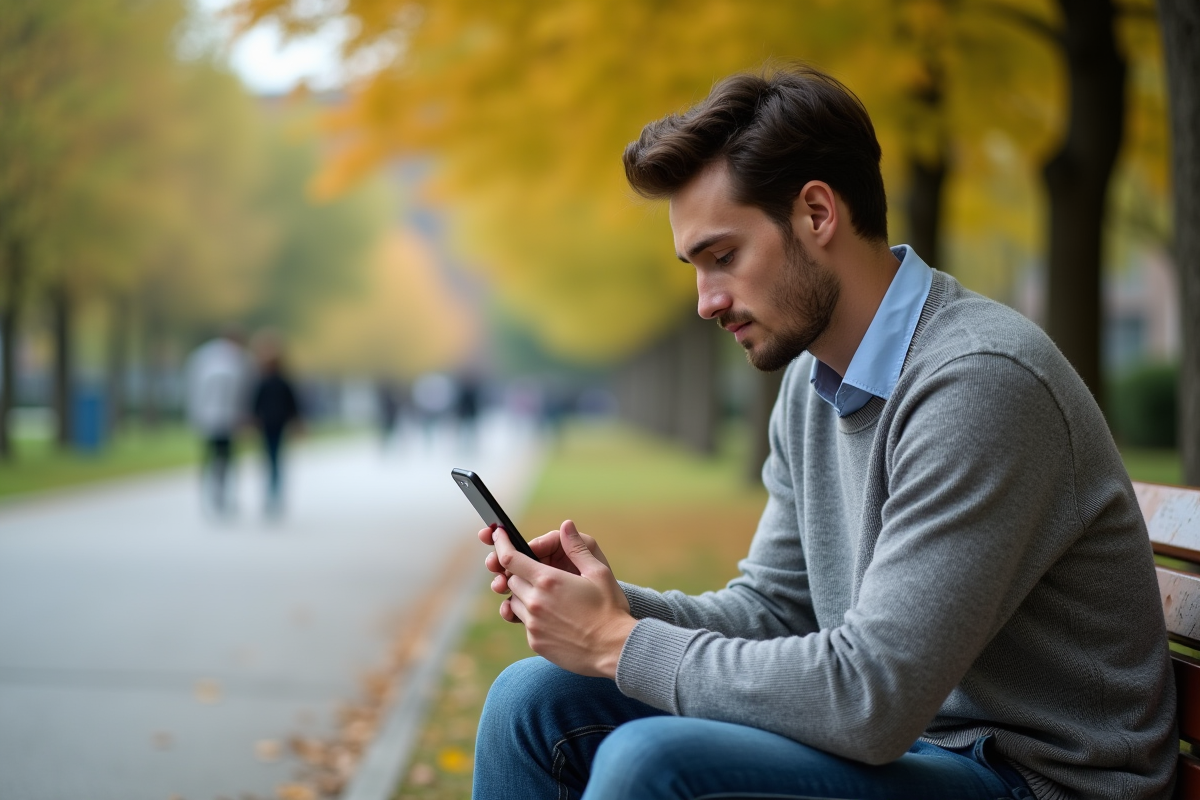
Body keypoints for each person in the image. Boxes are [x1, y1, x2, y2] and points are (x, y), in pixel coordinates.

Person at [472, 65, 1176, 800]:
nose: (707, 302)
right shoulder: (811, 389)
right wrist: (612, 606)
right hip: (921, 751)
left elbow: (872, 699)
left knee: (653, 766)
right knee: (532, 702)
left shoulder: (981, 381)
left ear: (816, 214)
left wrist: (619, 644)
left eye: (723, 257)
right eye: (694, 267)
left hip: (1033, 779)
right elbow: (776, 613)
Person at [185, 327, 253, 516]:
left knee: (225, 459)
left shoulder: (239, 360)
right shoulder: (211, 358)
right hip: (214, 418)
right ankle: (214, 494)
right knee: (215, 458)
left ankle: (222, 494)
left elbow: (244, 392)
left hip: (226, 418)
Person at [251, 338, 301, 517]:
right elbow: (255, 405)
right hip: (269, 425)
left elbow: (292, 404)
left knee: (273, 459)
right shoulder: (266, 382)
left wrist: (296, 422)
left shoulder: (280, 382)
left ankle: (274, 494)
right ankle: (272, 494)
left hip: (277, 424)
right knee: (272, 459)